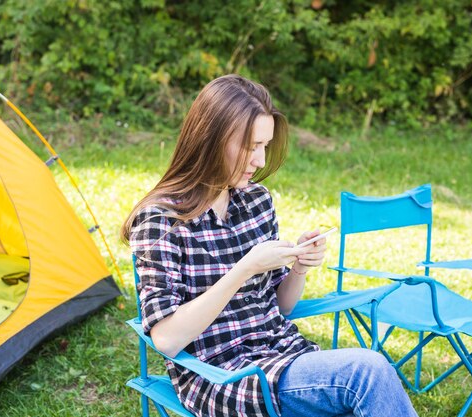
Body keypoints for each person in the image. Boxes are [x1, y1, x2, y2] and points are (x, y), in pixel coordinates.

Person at [121, 74, 418, 417]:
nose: (260, 161)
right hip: (225, 377)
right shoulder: (161, 220)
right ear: (209, 141)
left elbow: (281, 307)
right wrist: (244, 268)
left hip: (285, 356)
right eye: (250, 147)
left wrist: (299, 267)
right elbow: (167, 339)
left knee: (363, 392)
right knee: (367, 373)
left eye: (264, 146)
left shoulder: (256, 201)